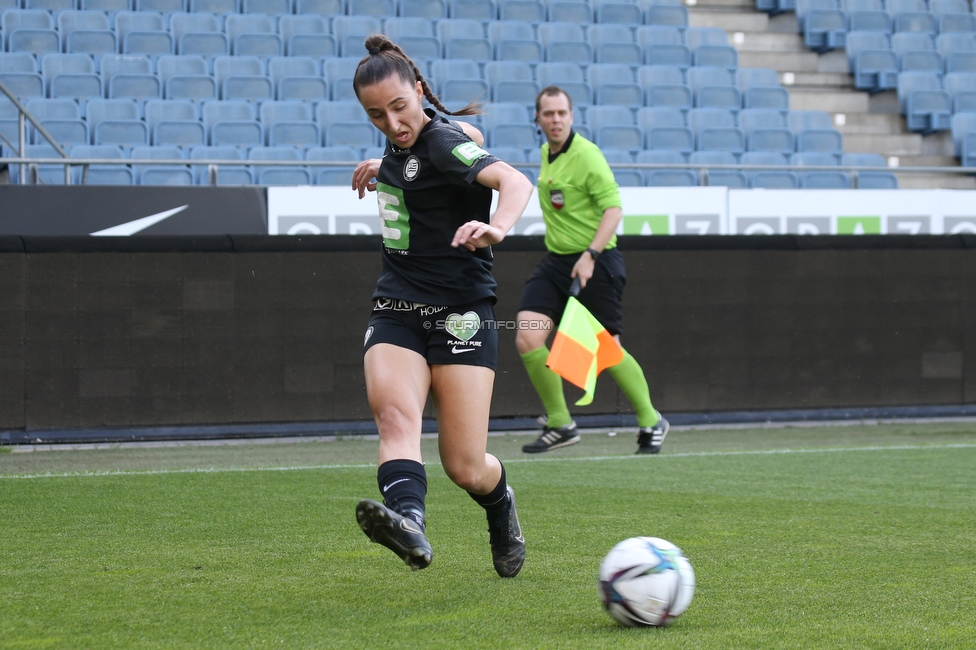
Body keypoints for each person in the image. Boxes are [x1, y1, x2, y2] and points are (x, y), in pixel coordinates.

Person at [349, 34, 534, 577]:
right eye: (376, 116)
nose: (391, 124)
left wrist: (497, 226)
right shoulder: (403, 141)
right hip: (397, 305)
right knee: (394, 419)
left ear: (420, 91)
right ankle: (409, 522)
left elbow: (514, 180)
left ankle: (500, 507)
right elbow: (426, 148)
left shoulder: (440, 142)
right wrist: (381, 157)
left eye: (400, 108)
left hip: (461, 314)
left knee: (465, 466)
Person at [516, 86, 669, 456]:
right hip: (556, 262)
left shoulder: (587, 155)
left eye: (561, 113)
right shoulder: (545, 154)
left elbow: (614, 210)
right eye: (548, 114)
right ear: (537, 118)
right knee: (527, 336)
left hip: (596, 262)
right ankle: (560, 423)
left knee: (607, 349)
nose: (555, 120)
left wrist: (590, 255)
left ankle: (652, 420)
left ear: (571, 116)